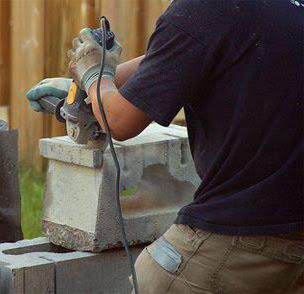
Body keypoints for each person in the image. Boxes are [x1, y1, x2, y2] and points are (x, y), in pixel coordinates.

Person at [26, 0, 303, 293]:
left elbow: (119, 121)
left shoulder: (201, 8)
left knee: (156, 280)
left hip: (237, 235)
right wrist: (89, 84)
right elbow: (186, 56)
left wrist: (95, 76)